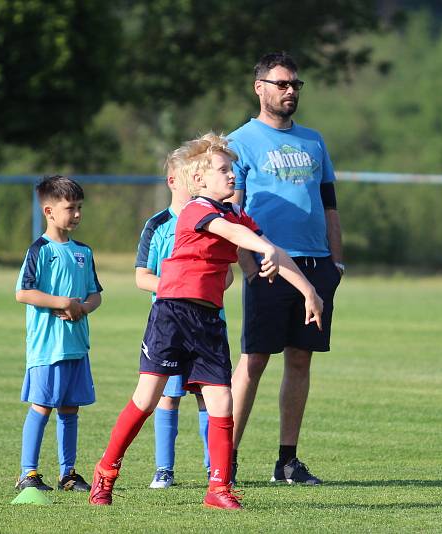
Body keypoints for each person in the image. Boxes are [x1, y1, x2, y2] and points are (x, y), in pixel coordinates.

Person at [88, 133, 324, 509]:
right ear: (200, 180)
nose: (232, 176)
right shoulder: (198, 210)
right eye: (223, 170)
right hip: (172, 315)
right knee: (147, 398)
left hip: (209, 319)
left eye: (232, 170)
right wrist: (260, 247)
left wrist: (308, 290)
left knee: (222, 400)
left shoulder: (236, 213)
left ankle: (218, 488)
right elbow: (232, 234)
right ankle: (105, 473)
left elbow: (269, 246)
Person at [228, 51, 344, 485]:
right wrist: (247, 265)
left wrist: (337, 262)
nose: (290, 91)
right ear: (260, 87)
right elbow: (232, 212)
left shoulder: (314, 141)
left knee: (300, 360)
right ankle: (228, 459)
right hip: (269, 265)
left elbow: (330, 205)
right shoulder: (240, 142)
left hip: (316, 265)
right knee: (254, 360)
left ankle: (287, 461)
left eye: (296, 84)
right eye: (282, 84)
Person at [135, 149, 231, 488]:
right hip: (171, 320)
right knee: (167, 394)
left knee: (211, 393)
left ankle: (214, 469)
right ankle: (164, 470)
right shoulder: (158, 225)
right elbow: (142, 276)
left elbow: (227, 273)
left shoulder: (216, 219)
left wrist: (209, 282)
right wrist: (177, 287)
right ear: (174, 180)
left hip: (207, 318)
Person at [14, 175, 103, 491]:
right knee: (42, 407)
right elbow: (24, 293)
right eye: (70, 208)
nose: (77, 214)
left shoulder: (84, 252)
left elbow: (95, 295)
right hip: (47, 346)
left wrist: (82, 307)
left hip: (76, 345)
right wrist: (62, 302)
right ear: (49, 211)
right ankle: (29, 473)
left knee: (70, 409)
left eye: (80, 208)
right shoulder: (40, 250)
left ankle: (68, 473)